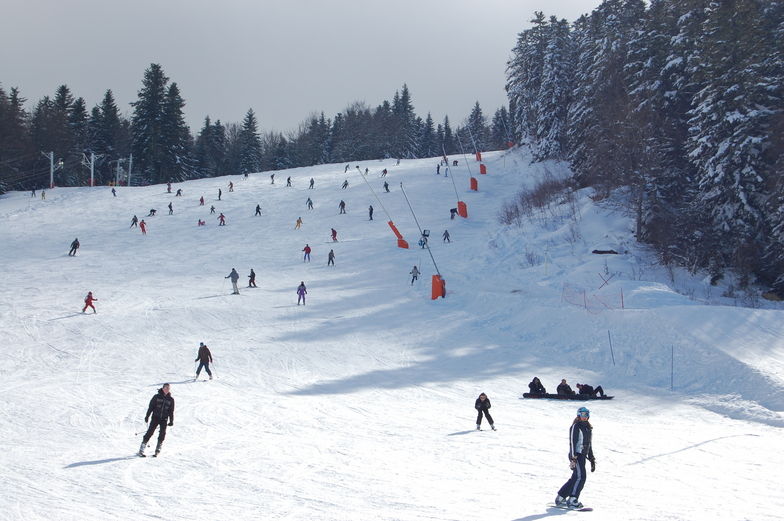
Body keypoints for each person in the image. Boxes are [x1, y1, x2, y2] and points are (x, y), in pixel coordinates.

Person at [555, 407, 596, 509]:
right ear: (578, 415)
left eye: (586, 414)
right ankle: (573, 499)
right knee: (581, 477)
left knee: (575, 477)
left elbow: (589, 444)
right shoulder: (576, 426)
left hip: (582, 456)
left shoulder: (588, 428)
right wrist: (573, 458)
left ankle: (561, 497)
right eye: (582, 414)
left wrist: (591, 458)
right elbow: (572, 443)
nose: (585, 417)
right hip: (576, 455)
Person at [138, 383, 175, 457]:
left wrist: (171, 421)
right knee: (150, 432)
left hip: (164, 419)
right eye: (166, 388)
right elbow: (151, 407)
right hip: (155, 417)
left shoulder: (171, 399)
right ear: (163, 388)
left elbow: (171, 411)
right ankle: (142, 448)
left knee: (162, 433)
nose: (167, 389)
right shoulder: (156, 397)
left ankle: (158, 449)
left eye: (168, 388)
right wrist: (147, 416)